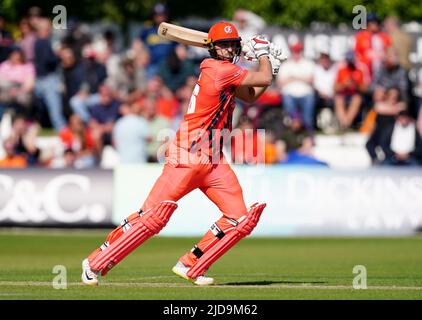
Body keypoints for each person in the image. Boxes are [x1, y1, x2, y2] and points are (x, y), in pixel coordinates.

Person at [81, 21, 283, 286]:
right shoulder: (217, 69)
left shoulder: (229, 73)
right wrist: (264, 55)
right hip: (187, 155)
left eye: (231, 45)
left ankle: (191, 264)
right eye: (222, 46)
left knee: (240, 219)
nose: (228, 49)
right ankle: (94, 262)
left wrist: (268, 64)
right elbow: (262, 77)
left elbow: (252, 94)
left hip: (213, 160)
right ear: (212, 49)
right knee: (152, 217)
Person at [277, 41, 315, 130]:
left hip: (306, 94)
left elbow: (310, 80)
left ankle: (308, 132)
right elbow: (280, 83)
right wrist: (300, 78)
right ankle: (291, 132)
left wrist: (293, 78)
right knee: (290, 117)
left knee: (307, 118)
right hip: (289, 94)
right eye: (295, 51)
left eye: (298, 51)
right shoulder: (286, 65)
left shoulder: (308, 63)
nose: (296, 53)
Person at [333, 51, 367, 130]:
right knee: (338, 99)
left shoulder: (360, 69)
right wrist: (344, 84)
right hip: (343, 94)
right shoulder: (341, 70)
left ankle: (345, 124)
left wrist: (356, 85)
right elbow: (335, 88)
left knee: (357, 99)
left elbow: (365, 88)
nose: (350, 62)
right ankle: (345, 124)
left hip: (355, 94)